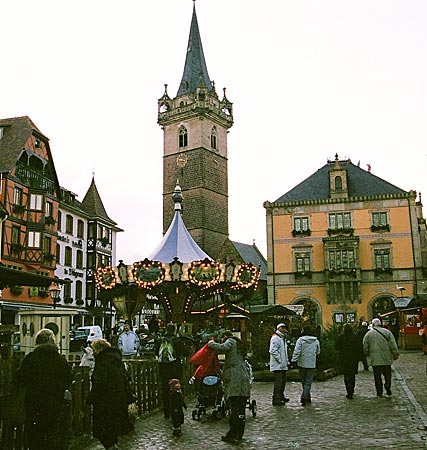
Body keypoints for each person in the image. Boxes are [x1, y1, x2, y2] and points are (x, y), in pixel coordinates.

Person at [18, 328, 72, 450]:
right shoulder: (60, 360)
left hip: (34, 403)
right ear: (53, 341)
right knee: (51, 433)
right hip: (55, 403)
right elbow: (68, 379)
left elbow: (21, 378)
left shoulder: (31, 359)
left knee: (35, 435)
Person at [208, 330, 251, 444]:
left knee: (234, 409)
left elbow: (222, 347)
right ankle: (238, 433)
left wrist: (211, 343)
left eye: (222, 338)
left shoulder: (231, 341)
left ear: (225, 336)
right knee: (241, 410)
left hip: (235, 381)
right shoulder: (239, 347)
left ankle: (233, 434)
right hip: (243, 380)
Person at [90, 338, 133, 450]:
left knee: (104, 429)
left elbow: (99, 382)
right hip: (118, 399)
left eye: (94, 350)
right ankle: (113, 445)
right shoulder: (115, 360)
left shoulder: (103, 363)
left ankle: (112, 447)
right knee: (112, 428)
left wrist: (91, 397)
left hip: (105, 401)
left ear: (99, 350)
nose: (93, 352)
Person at [155, 323, 188, 419]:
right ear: (174, 330)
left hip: (163, 368)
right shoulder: (177, 341)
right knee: (175, 388)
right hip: (174, 368)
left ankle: (166, 411)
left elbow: (156, 352)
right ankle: (176, 408)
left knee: (165, 389)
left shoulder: (160, 340)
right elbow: (186, 352)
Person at [363, 318, 399, 397]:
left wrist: (367, 354)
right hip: (386, 358)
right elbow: (393, 344)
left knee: (377, 376)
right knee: (387, 374)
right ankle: (387, 385)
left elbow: (365, 346)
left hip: (375, 359)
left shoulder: (368, 334)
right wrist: (395, 354)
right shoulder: (387, 332)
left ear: (373, 324)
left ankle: (379, 391)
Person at [291, 325, 321, 406]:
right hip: (311, 363)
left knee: (304, 381)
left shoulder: (300, 340)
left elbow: (297, 351)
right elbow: (318, 352)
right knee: (308, 381)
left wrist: (294, 360)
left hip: (302, 363)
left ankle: (304, 397)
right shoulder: (316, 340)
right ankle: (307, 397)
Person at [336, 324, 359, 399]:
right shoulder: (354, 337)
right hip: (353, 358)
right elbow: (358, 347)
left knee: (346, 374)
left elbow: (336, 347)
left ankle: (348, 390)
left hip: (344, 358)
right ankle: (352, 389)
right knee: (352, 374)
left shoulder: (341, 337)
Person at [269, 323, 290, 405]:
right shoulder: (276, 338)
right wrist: (280, 360)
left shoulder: (282, 338)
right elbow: (273, 350)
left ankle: (281, 396)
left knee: (282, 382)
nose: (284, 329)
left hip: (282, 365)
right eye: (282, 327)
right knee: (278, 382)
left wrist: (286, 361)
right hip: (278, 365)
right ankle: (276, 398)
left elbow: (284, 352)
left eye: (285, 327)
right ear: (279, 328)